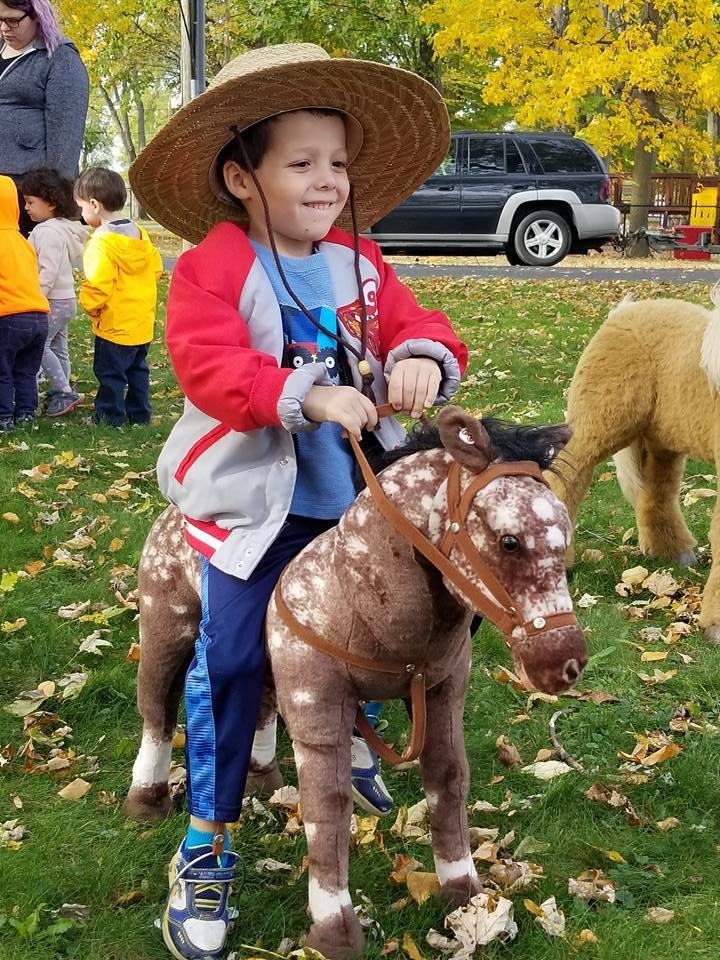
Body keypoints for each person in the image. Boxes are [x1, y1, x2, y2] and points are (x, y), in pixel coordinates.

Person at [129, 43, 467, 960]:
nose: (327, 180)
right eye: (302, 162)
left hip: (353, 507)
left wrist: (419, 359)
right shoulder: (212, 266)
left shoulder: (361, 262)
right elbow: (208, 364)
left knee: (420, 624)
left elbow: (421, 325)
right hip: (261, 514)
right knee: (235, 662)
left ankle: (347, 726)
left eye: (340, 163)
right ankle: (208, 840)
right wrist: (305, 393)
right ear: (243, 176)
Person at [74, 167, 162, 427]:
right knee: (137, 371)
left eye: (81, 208)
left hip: (114, 324)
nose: (81, 214)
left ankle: (109, 416)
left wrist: (90, 306)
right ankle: (139, 414)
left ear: (94, 204)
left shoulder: (101, 243)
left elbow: (98, 283)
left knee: (110, 374)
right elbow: (156, 269)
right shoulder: (140, 235)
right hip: (141, 323)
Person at [0, 0, 89, 237]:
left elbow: (66, 139)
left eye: (13, 20)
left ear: (37, 16)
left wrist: (55, 205)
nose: (4, 28)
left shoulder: (61, 59)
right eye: (0, 20)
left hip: (27, 193)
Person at [21, 166, 88, 416]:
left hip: (51, 299)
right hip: (66, 299)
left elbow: (47, 270)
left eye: (30, 202)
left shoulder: (47, 232)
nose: (26, 208)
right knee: (59, 346)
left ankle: (63, 391)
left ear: (50, 203)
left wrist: (36, 296)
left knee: (39, 346)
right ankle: (63, 389)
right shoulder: (62, 228)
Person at [0, 173, 49, 429]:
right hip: (39, 315)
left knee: (2, 372)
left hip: (8, 315)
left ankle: (3, 416)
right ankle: (27, 414)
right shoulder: (22, 241)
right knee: (26, 371)